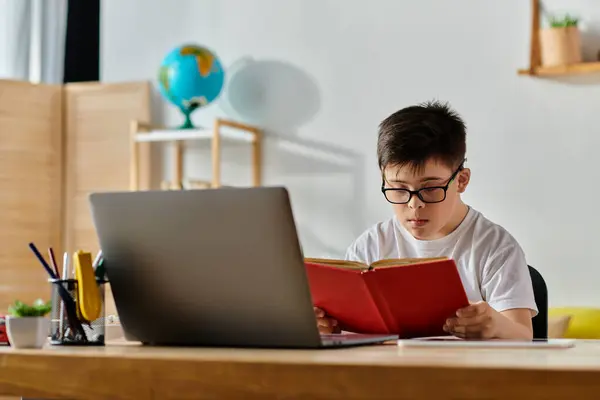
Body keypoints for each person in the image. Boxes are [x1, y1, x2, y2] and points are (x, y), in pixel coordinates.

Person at [315, 100, 537, 340]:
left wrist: (497, 326)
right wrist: (326, 326)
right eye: (399, 189)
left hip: (463, 375)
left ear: (461, 180)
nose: (414, 204)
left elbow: (524, 335)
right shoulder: (370, 246)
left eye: (430, 188)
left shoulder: (494, 247)